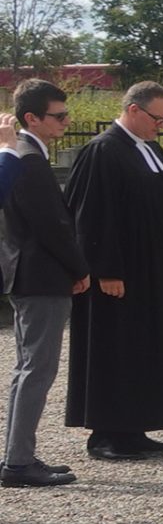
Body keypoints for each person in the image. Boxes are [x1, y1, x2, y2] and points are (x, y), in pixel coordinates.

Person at [64, 81, 163, 460]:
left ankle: (135, 426)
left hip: (153, 274)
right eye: (157, 118)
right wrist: (106, 270)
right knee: (117, 348)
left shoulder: (150, 148)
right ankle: (107, 433)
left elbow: (154, 205)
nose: (161, 125)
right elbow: (92, 216)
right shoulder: (103, 151)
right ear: (133, 110)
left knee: (143, 347)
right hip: (121, 275)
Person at [2, 86, 86, 488]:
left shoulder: (22, 154)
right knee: (37, 369)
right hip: (41, 276)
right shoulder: (29, 158)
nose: (66, 122)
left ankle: (17, 457)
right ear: (31, 118)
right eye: (59, 115)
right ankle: (18, 463)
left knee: (27, 369)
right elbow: (51, 227)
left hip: (28, 275)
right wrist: (79, 267)